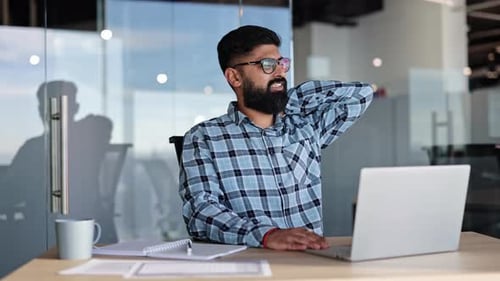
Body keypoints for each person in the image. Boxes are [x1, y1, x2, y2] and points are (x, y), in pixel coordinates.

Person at [179, 25, 373, 250]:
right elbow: (201, 213)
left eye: (281, 64)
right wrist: (266, 235)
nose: (280, 72)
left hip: (311, 260)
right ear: (234, 77)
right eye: (267, 65)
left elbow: (361, 95)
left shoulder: (305, 127)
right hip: (249, 261)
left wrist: (286, 99)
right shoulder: (204, 138)